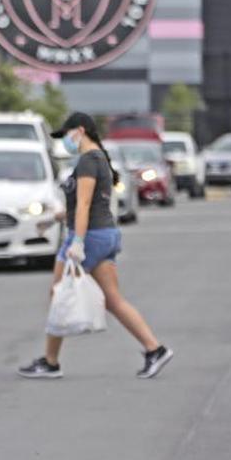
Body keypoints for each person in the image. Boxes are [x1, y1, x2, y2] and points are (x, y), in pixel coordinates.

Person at [19, 112, 174, 380]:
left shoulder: (89, 161)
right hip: (104, 234)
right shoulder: (97, 159)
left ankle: (51, 361)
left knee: (58, 294)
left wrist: (76, 241)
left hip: (89, 236)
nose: (66, 141)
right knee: (112, 300)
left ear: (80, 131)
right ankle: (154, 349)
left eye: (67, 135)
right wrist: (52, 220)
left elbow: (85, 205)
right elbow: (86, 205)